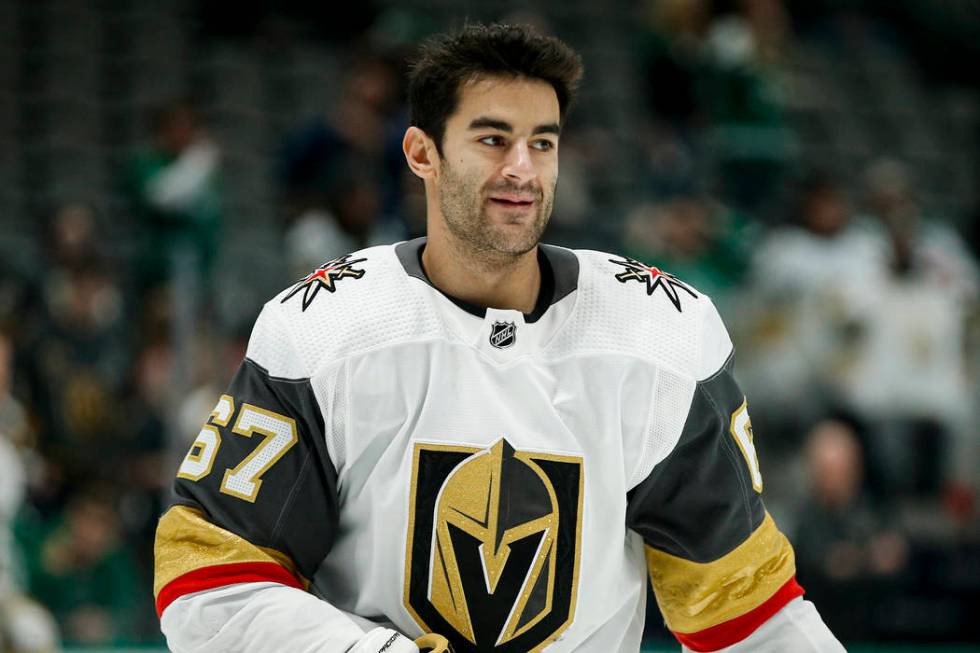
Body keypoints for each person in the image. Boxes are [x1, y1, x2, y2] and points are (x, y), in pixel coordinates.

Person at [153, 23, 843, 652]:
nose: (522, 167)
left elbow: (750, 612)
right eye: (492, 139)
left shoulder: (660, 335)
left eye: (542, 142)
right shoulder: (322, 329)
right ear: (422, 153)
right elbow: (210, 586)